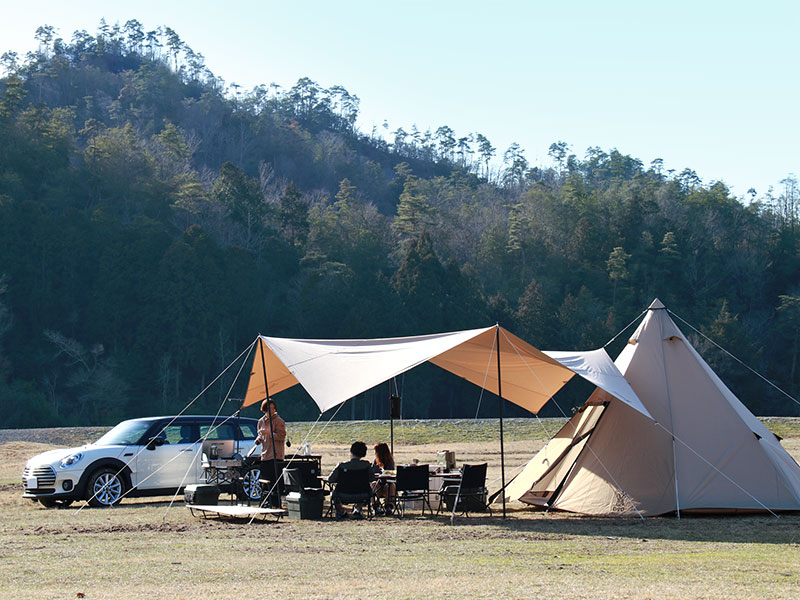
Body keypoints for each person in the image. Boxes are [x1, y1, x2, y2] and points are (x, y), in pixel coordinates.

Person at [328, 441, 374, 519]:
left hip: (342, 494)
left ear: (351, 451)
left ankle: (341, 512)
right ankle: (358, 509)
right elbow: (372, 479)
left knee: (333, 495)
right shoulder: (366, 465)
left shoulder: (342, 466)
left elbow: (330, 479)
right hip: (363, 494)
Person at [255, 399, 287, 507]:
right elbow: (261, 435)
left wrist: (269, 433)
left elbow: (281, 436)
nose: (271, 411)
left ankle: (275, 504)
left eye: (273, 408)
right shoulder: (261, 421)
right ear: (264, 409)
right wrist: (259, 439)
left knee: (275, 481)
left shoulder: (279, 421)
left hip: (276, 454)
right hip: (265, 454)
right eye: (269, 409)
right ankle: (266, 502)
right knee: (265, 480)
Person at [371, 442, 395, 515]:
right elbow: (373, 473)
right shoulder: (375, 461)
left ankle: (389, 506)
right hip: (378, 483)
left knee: (390, 486)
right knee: (374, 485)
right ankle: (376, 506)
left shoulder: (390, 462)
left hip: (387, 483)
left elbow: (391, 473)